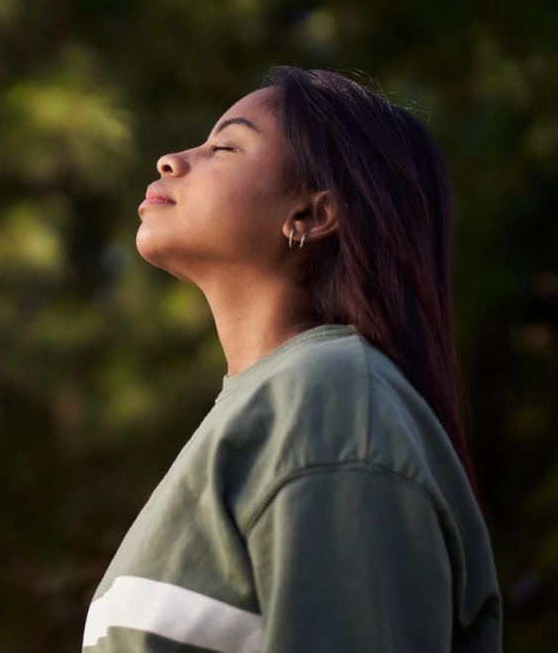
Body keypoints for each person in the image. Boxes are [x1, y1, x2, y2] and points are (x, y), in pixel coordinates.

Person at [81, 67, 502, 652]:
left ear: (310, 215)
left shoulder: (333, 402)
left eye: (225, 146)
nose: (171, 160)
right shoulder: (279, 406)